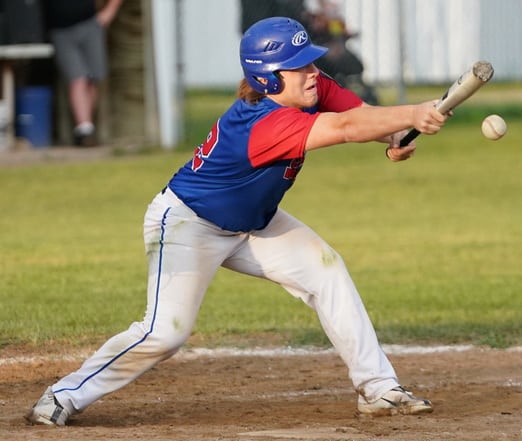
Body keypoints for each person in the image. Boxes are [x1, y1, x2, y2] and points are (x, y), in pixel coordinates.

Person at [26, 17, 447, 426]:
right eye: (299, 66)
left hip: (253, 223)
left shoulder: (308, 90)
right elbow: (347, 127)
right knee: (165, 333)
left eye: (310, 61)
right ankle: (63, 395)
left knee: (327, 270)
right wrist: (413, 112)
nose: (313, 72)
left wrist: (395, 135)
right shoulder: (263, 124)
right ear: (268, 79)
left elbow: (361, 114)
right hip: (190, 224)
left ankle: (378, 389)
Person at [43, 0, 123, 147]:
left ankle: (87, 127)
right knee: (78, 79)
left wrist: (109, 12)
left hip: (90, 24)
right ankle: (84, 130)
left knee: (91, 80)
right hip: (60, 30)